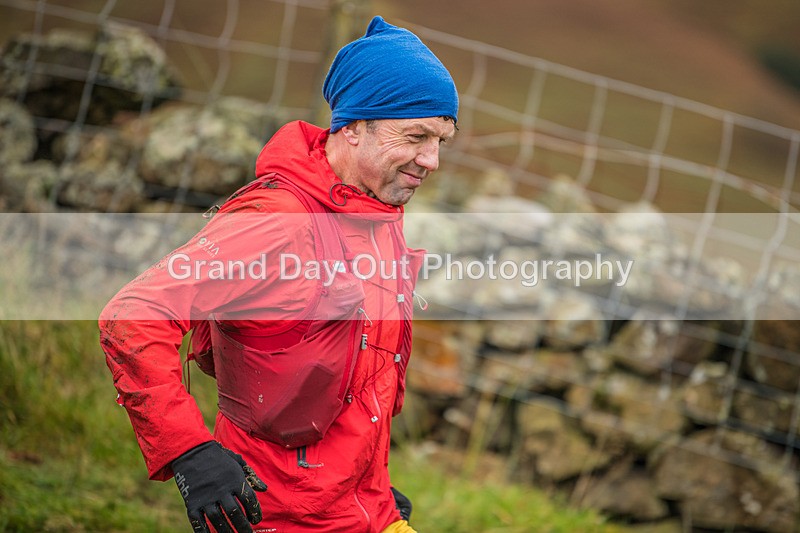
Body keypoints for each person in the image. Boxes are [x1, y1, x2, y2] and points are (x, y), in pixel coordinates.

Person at [99, 16, 458, 533]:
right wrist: (191, 455)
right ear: (353, 128)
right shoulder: (277, 223)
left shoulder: (375, 214)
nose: (432, 160)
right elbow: (133, 316)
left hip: (368, 513)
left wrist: (365, 476)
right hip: (281, 518)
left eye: (442, 139)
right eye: (417, 136)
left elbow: (354, 375)